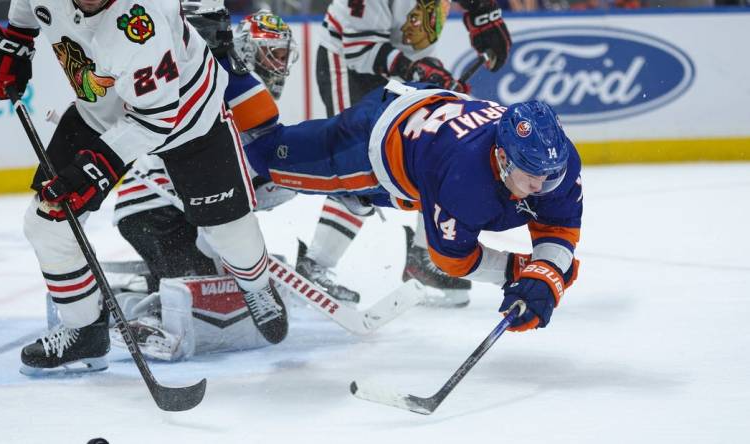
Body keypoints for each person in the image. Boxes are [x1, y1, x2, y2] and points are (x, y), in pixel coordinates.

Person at [0, 0, 287, 375]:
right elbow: (25, 9)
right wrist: (13, 39)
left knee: (230, 229)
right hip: (99, 113)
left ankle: (256, 284)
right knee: (46, 222)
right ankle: (85, 329)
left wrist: (96, 169)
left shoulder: (142, 21)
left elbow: (156, 120)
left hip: (187, 115)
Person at [247, 81, 582, 332]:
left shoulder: (557, 163)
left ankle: (355, 198)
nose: (542, 187)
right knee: (266, 160)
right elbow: (452, 260)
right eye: (531, 174)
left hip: (423, 145)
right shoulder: (465, 179)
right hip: (371, 141)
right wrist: (518, 270)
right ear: (503, 157)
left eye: (550, 175)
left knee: (371, 194)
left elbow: (558, 227)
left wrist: (545, 270)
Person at [104, 6, 300, 361]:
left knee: (214, 268)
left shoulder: (234, 79)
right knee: (196, 291)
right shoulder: (208, 76)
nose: (279, 65)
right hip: (154, 205)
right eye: (274, 54)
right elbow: (253, 160)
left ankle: (132, 297)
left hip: (182, 202)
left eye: (285, 57)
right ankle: (143, 314)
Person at [304, 0, 513, 307]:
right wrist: (412, 68)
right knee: (359, 163)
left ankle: (424, 257)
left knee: (439, 142)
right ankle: (315, 263)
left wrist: (484, 14)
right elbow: (360, 49)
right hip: (349, 61)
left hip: (411, 55)